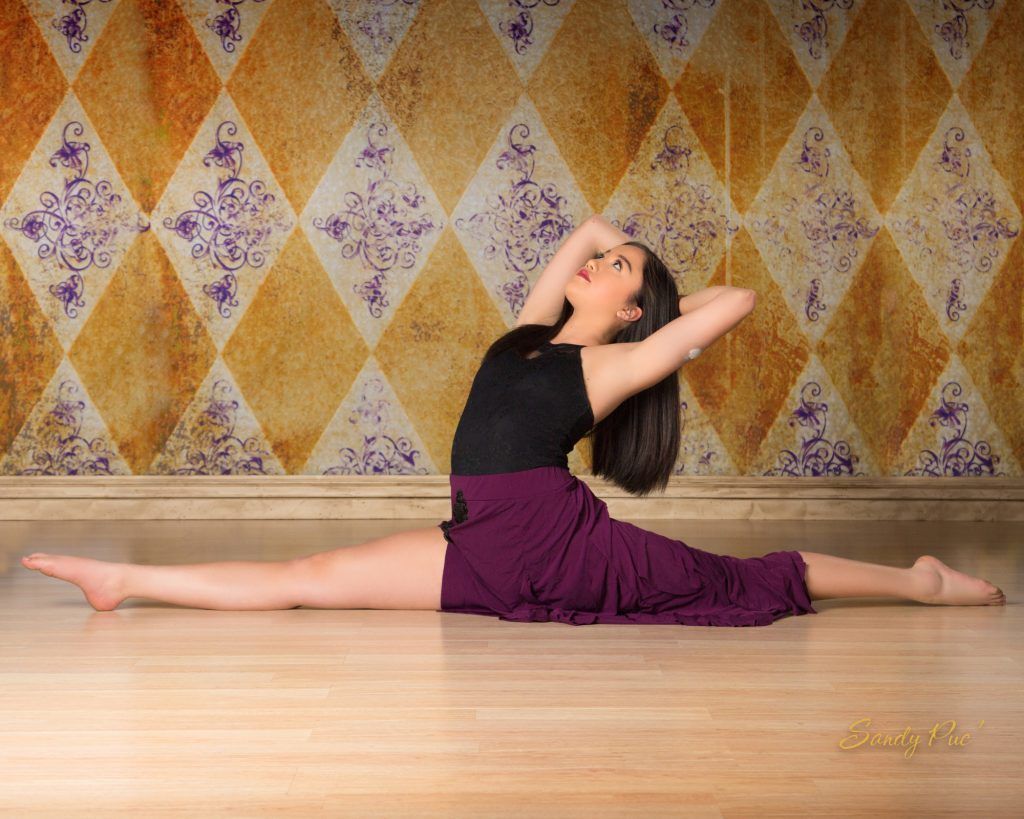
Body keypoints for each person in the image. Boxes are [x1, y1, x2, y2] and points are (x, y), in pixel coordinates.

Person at [20, 216, 1005, 619]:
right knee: (307, 578)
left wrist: (656, 311)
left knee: (736, 582)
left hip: (551, 543)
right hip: (486, 534)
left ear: (634, 313)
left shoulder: (616, 362)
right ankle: (123, 579)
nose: (600, 260)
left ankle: (917, 582)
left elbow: (734, 300)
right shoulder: (531, 337)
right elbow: (584, 229)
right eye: (606, 260)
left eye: (619, 271)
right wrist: (614, 255)